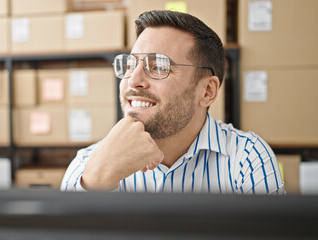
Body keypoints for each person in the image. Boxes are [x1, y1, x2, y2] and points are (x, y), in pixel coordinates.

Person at [61, 10, 285, 194]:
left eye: (158, 66)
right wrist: (95, 183)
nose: (134, 81)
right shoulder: (86, 166)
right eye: (131, 65)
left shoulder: (246, 157)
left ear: (207, 91)